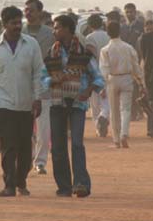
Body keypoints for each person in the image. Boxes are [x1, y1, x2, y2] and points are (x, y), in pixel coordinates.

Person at [0, 6, 43, 197]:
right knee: (8, 145)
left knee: (25, 146)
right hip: (3, 104)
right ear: (4, 24)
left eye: (19, 22)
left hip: (26, 105)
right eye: (13, 23)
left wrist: (37, 98)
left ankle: (21, 181)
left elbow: (37, 74)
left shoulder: (31, 45)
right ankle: (9, 184)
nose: (17, 26)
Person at [41, 15, 104, 198]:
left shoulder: (84, 52)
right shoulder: (52, 52)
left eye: (57, 28)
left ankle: (81, 183)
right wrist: (53, 79)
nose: (54, 31)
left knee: (77, 144)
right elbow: (42, 78)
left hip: (78, 103)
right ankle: (64, 186)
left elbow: (98, 78)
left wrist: (89, 90)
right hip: (57, 102)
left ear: (68, 29)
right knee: (58, 147)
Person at [22, 0, 54, 175]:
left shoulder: (50, 34)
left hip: (44, 84)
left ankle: (40, 161)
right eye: (26, 10)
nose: (28, 13)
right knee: (24, 126)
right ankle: (27, 158)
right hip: (23, 84)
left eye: (31, 10)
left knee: (43, 127)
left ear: (40, 13)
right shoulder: (20, 33)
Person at [99, 21, 144, 148]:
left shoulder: (105, 50)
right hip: (127, 78)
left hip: (112, 79)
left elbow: (104, 70)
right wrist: (140, 82)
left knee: (114, 111)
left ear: (107, 33)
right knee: (126, 109)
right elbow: (135, 66)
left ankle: (116, 140)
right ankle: (124, 134)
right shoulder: (128, 47)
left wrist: (102, 86)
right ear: (120, 31)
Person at [84, 14, 110, 137]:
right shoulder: (109, 36)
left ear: (89, 25)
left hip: (95, 72)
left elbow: (89, 57)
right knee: (106, 101)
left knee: (95, 103)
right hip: (109, 71)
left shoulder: (89, 38)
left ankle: (98, 126)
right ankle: (103, 116)